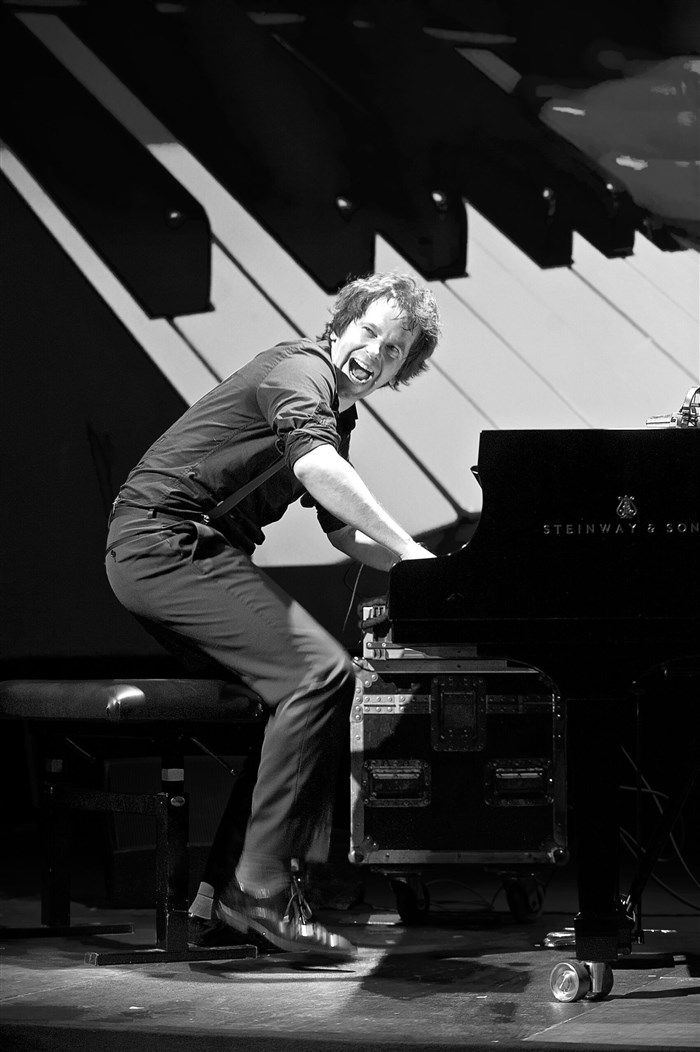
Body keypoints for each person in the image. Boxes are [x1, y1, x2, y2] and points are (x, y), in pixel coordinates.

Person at [105, 271, 440, 957]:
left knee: (291, 701)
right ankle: (261, 892)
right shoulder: (299, 369)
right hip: (162, 541)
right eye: (368, 333)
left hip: (186, 549)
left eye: (393, 350)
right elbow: (316, 469)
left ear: (401, 370)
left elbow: (343, 534)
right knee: (321, 675)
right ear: (340, 325)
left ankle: (219, 902)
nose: (374, 354)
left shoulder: (338, 413)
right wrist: (410, 549)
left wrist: (430, 570)